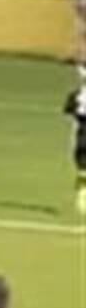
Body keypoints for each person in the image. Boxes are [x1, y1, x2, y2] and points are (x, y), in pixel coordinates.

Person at [64, 69, 86, 215]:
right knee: (82, 168)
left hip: (81, 132)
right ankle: (82, 194)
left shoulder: (78, 94)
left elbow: (68, 111)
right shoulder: (78, 95)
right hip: (82, 132)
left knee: (82, 168)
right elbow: (69, 111)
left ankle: (82, 195)